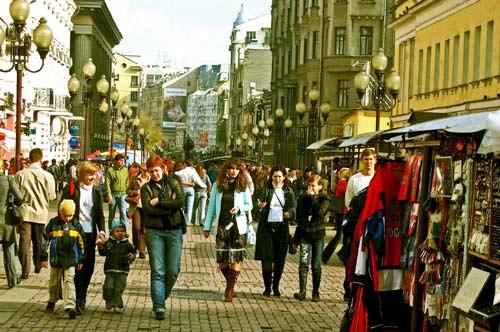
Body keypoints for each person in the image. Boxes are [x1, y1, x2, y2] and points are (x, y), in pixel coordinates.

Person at [141, 155, 185, 320]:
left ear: (163, 169)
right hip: (155, 232)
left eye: (157, 171)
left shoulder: (173, 183)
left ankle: (160, 296)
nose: (154, 174)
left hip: (175, 230)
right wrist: (169, 205)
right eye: (151, 172)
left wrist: (159, 201)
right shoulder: (146, 188)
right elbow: (148, 210)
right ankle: (159, 306)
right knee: (158, 270)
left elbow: (180, 202)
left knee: (173, 270)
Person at [203, 159, 253, 303]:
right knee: (223, 261)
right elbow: (211, 207)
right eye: (231, 168)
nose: (233, 171)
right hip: (222, 226)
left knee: (235, 258)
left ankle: (229, 290)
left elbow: (249, 205)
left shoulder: (243, 186)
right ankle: (230, 284)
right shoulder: (217, 186)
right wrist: (207, 227)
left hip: (238, 226)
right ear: (226, 170)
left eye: (236, 169)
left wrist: (239, 209)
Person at [61, 161, 106, 315]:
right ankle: (73, 300)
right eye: (89, 174)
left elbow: (99, 214)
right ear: (82, 174)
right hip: (74, 234)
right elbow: (63, 208)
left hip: (90, 234)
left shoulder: (96, 192)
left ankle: (81, 296)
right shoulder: (72, 188)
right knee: (74, 266)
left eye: (94, 174)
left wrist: (102, 232)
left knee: (88, 267)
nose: (92, 177)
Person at [254, 165, 296, 297]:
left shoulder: (289, 191)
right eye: (275, 176)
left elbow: (293, 207)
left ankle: (276, 286)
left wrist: (290, 213)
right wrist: (259, 206)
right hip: (266, 228)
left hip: (282, 228)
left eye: (279, 176)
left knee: (279, 259)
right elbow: (255, 205)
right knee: (267, 259)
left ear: (284, 177)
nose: (277, 179)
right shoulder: (265, 190)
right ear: (271, 177)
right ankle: (267, 287)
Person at [15, 148, 57, 279]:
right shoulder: (48, 176)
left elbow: (15, 195)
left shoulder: (20, 174)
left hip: (25, 212)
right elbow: (52, 196)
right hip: (40, 213)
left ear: (30, 158)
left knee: (24, 242)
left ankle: (25, 269)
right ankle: (37, 265)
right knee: (38, 241)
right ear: (40, 159)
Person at [41, 199, 85, 319]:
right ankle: (52, 300)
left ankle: (70, 305)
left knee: (69, 280)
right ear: (60, 213)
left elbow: (81, 243)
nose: (67, 218)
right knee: (54, 281)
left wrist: (80, 259)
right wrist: (43, 257)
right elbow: (44, 240)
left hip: (71, 258)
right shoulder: (53, 224)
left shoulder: (76, 225)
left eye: (70, 215)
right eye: (65, 215)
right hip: (56, 258)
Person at [291, 174, 330, 302]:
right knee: (303, 263)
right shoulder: (302, 199)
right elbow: (300, 220)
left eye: (313, 186)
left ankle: (315, 292)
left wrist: (313, 198)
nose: (311, 188)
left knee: (316, 265)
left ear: (319, 187)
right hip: (305, 235)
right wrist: (295, 240)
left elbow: (320, 212)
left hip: (318, 234)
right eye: (309, 185)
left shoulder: (324, 199)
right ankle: (302, 291)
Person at [96, 221, 135, 313]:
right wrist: (101, 247)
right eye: (117, 231)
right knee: (108, 287)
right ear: (112, 232)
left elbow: (132, 253)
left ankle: (117, 305)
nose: (120, 233)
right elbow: (103, 253)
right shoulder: (109, 243)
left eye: (122, 231)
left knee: (118, 288)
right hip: (110, 269)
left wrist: (131, 257)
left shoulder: (127, 244)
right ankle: (108, 299)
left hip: (122, 270)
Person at [0, 164, 23, 288]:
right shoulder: (8, 179)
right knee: (9, 250)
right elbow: (20, 197)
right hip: (6, 220)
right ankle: (12, 280)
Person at [322, 167, 350, 264]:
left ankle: (343, 254)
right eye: (345, 173)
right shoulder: (342, 183)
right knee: (339, 235)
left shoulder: (343, 182)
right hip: (342, 212)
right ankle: (326, 255)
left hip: (344, 212)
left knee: (345, 236)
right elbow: (341, 194)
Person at [126, 164, 150, 259]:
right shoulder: (135, 178)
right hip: (136, 206)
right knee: (136, 228)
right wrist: (135, 192)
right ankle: (135, 246)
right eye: (144, 170)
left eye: (147, 170)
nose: (145, 172)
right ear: (141, 170)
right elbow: (127, 190)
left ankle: (142, 250)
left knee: (144, 229)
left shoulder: (151, 179)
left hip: (147, 207)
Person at [174, 160, 206, 226]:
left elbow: (175, 173)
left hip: (183, 189)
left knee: (182, 206)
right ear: (191, 164)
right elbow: (197, 180)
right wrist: (204, 185)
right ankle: (188, 221)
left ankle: (181, 220)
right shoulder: (193, 171)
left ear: (185, 164)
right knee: (190, 207)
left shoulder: (181, 171)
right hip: (191, 190)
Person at [105, 154, 129, 231]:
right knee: (112, 214)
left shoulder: (125, 170)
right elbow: (107, 184)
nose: (123, 162)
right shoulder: (110, 170)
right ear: (116, 161)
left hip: (123, 194)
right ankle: (111, 231)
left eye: (123, 160)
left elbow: (127, 181)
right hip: (113, 195)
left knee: (123, 213)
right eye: (121, 160)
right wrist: (109, 195)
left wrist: (127, 192)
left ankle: (124, 231)